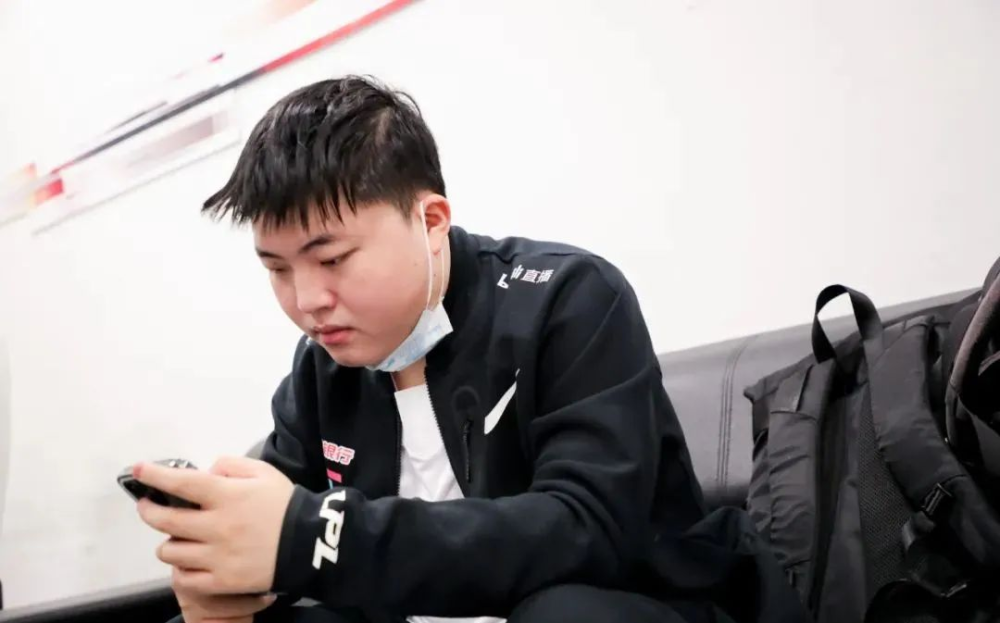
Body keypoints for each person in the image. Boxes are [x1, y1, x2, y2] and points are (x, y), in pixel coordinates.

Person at [133, 76, 806, 623]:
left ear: (430, 221)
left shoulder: (569, 300)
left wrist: (321, 538)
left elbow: (590, 531)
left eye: (331, 258)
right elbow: (288, 528)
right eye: (278, 269)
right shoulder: (324, 368)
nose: (306, 300)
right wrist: (227, 577)